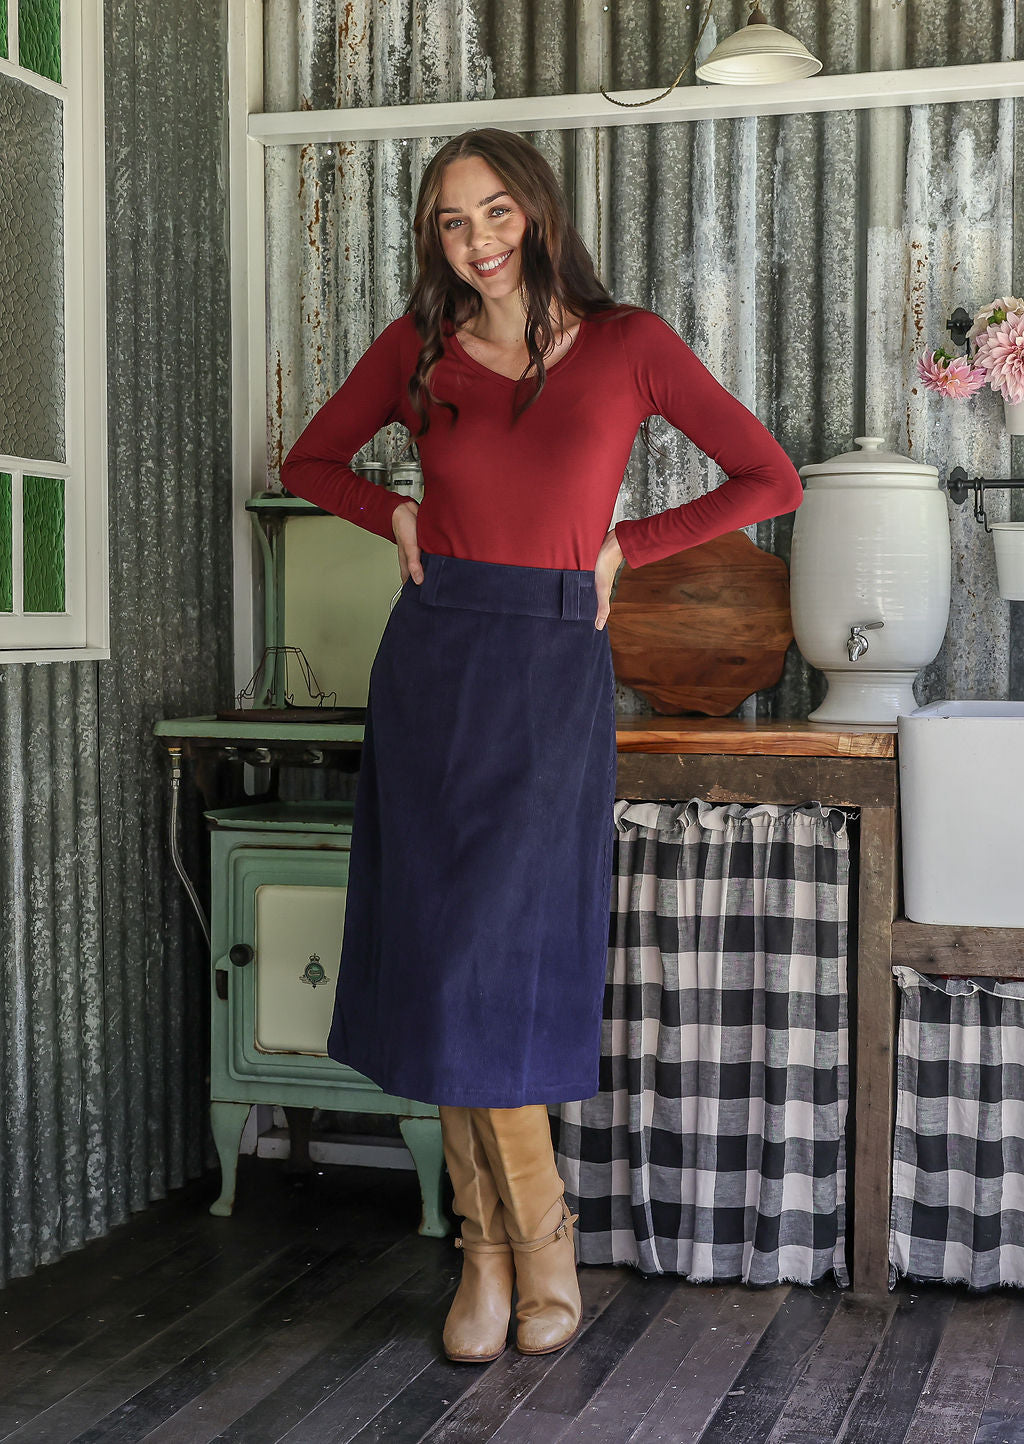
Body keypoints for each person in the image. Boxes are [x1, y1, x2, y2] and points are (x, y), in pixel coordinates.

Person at [281, 127, 803, 1364]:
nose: (477, 241)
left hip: (551, 665)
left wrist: (626, 546)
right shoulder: (417, 349)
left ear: (538, 210)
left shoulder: (630, 345)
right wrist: (395, 512)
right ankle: (495, 1245)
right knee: (442, 956)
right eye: (451, 221)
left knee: (492, 957)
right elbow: (309, 460)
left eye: (495, 212)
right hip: (434, 663)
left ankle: (535, 1236)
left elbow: (768, 478)